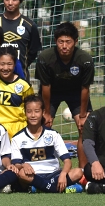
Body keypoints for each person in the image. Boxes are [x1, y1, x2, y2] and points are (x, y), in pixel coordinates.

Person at [35, 22, 94, 168]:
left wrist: (82, 115)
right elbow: (45, 86)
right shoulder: (45, 57)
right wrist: (46, 112)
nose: (64, 46)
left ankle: (83, 170)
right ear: (56, 41)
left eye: (68, 42)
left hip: (76, 93)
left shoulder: (85, 59)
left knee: (85, 128)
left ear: (76, 41)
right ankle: (43, 168)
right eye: (61, 42)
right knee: (41, 125)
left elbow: (85, 88)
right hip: (52, 93)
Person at [11, 95, 83, 193]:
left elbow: (67, 161)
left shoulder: (53, 135)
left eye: (37, 111)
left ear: (43, 112)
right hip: (33, 176)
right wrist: (23, 165)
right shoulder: (17, 138)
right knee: (22, 174)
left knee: (78, 172)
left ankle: (39, 188)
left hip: (54, 175)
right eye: (29, 111)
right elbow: (16, 165)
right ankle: (56, 189)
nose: (33, 115)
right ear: (25, 112)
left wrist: (63, 174)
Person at [0, 0, 42, 79]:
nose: (10, 3)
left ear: (21, 0)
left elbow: (33, 52)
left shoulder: (29, 25)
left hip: (21, 78)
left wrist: (20, 65)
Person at [0, 46, 34, 138]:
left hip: (18, 130)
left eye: (9, 64)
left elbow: (31, 109)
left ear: (15, 64)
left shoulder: (24, 86)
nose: (5, 68)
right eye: (2, 64)